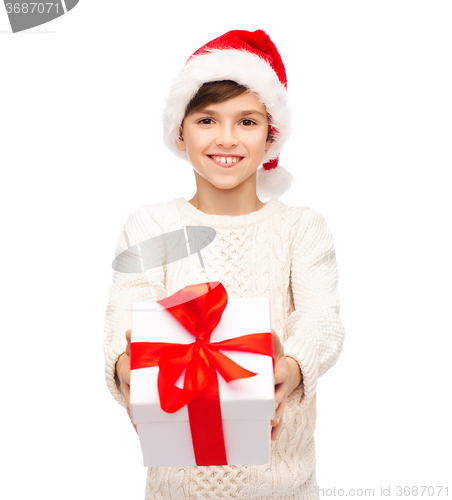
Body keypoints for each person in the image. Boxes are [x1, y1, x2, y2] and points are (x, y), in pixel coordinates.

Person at [103, 29, 345, 500]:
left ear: (272, 134)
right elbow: (122, 318)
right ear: (180, 130)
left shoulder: (301, 228)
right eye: (207, 120)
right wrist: (125, 362)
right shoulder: (151, 225)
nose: (227, 139)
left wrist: (289, 367)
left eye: (248, 121)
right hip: (177, 489)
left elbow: (321, 322)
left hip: (283, 488)